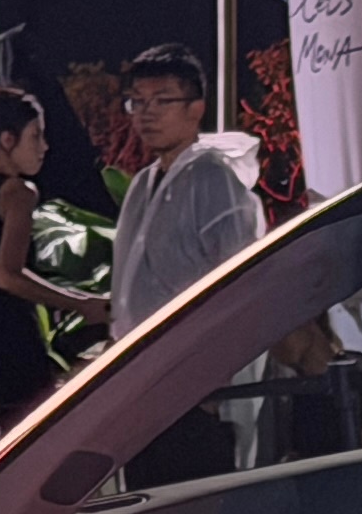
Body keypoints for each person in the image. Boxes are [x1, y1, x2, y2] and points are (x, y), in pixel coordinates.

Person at [0, 82, 108, 412]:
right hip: (6, 344)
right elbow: (8, 276)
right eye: (35, 137)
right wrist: (81, 304)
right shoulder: (18, 192)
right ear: (7, 140)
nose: (44, 147)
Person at [105, 42, 264, 335]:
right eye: (137, 102)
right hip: (140, 349)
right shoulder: (143, 182)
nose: (147, 113)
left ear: (196, 109)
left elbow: (239, 276)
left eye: (162, 101)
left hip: (193, 348)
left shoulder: (211, 178)